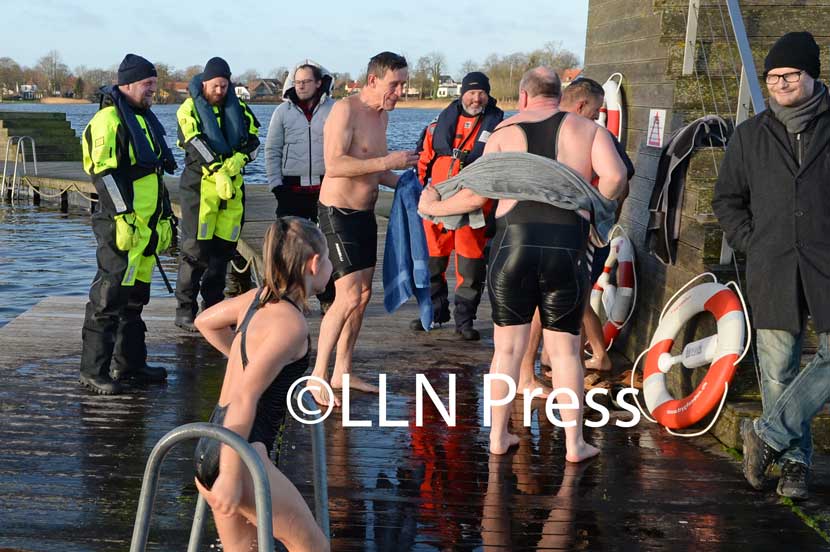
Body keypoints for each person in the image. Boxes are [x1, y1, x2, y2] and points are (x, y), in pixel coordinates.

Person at [418, 67, 627, 458]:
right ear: (559, 93)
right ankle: (574, 444)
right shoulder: (589, 130)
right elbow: (614, 178)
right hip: (567, 243)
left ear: (523, 96)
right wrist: (591, 204)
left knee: (507, 351)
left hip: (513, 242)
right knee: (565, 352)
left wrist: (431, 205)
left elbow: (474, 197)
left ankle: (498, 437)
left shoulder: (503, 133)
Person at [713, 32, 830, 500]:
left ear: (812, 75)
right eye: (772, 77)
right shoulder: (750, 134)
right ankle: (795, 465)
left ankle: (767, 434)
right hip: (773, 265)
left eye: (789, 75)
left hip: (826, 263)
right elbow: (727, 200)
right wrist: (752, 244)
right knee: (778, 369)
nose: (779, 83)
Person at [193, 218, 331, 551]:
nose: (330, 267)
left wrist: (244, 362)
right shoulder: (291, 326)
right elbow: (245, 397)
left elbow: (205, 321)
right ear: (313, 264)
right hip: (241, 455)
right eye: (328, 259)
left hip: (209, 446)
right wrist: (229, 473)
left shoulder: (257, 299)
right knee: (312, 547)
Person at [308, 51, 419, 406]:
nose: (400, 91)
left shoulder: (382, 117)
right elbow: (335, 164)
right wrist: (390, 161)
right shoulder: (345, 110)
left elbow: (374, 170)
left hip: (365, 214)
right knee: (348, 296)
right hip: (337, 212)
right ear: (373, 80)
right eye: (395, 84)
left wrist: (405, 180)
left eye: (403, 84)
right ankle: (317, 377)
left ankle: (343, 370)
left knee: (364, 295)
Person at [518, 77, 634, 390]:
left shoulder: (551, 132)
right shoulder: (589, 134)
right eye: (596, 113)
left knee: (554, 301)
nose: (597, 119)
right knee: (568, 299)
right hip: (569, 231)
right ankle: (560, 362)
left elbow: (621, 181)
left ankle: (533, 370)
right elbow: (620, 182)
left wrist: (596, 226)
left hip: (569, 233)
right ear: (582, 105)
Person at [79, 53, 177, 395]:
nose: (153, 90)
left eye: (154, 84)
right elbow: (104, 176)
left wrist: (163, 217)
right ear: (127, 84)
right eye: (147, 84)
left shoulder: (143, 118)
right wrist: (124, 217)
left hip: (144, 226)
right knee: (108, 297)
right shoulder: (109, 121)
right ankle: (94, 370)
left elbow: (155, 175)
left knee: (135, 298)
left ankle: (130, 363)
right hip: (120, 223)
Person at [412, 72, 504, 340]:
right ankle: (433, 313)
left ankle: (465, 321)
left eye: (481, 93)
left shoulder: (499, 128)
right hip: (437, 205)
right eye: (471, 92)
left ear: (487, 95)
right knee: (432, 264)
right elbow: (422, 163)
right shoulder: (436, 126)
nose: (476, 98)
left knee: (470, 268)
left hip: (474, 208)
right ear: (462, 93)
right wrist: (419, 194)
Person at [174, 57, 261, 331]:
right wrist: (217, 168)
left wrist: (238, 161)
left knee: (222, 253)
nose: (220, 91)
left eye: (224, 86)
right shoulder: (189, 109)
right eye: (215, 86)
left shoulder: (241, 109)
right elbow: (193, 141)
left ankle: (212, 309)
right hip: (200, 190)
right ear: (204, 83)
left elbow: (254, 142)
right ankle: (184, 311)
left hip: (232, 192)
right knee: (194, 251)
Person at [266, 59, 336, 311]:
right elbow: (272, 149)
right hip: (291, 189)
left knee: (326, 244)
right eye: (297, 82)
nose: (301, 86)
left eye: (307, 82)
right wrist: (276, 184)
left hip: (325, 188)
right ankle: (285, 296)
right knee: (288, 244)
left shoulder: (334, 110)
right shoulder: (282, 113)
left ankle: (327, 298)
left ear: (319, 83)